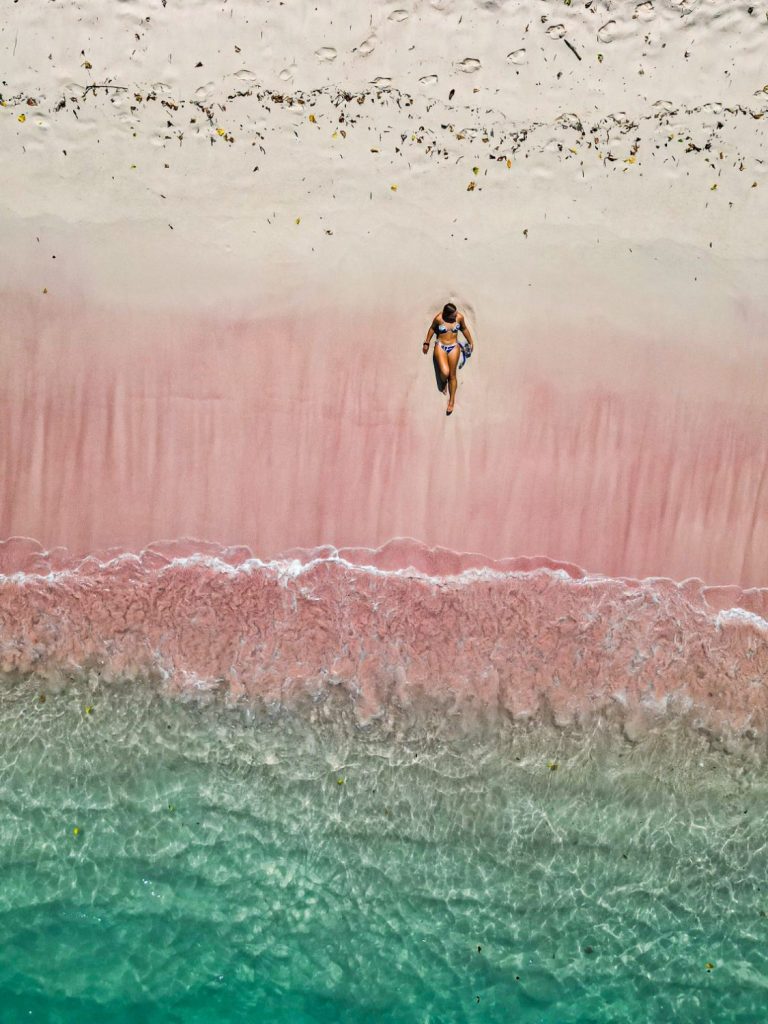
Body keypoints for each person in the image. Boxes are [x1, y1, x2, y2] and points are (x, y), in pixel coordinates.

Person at [422, 303, 475, 415]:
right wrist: (426, 342)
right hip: (440, 345)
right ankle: (443, 382)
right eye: (453, 315)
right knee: (445, 372)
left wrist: (470, 341)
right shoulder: (439, 319)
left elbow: (464, 329)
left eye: (456, 314)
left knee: (452, 374)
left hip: (454, 346)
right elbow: (432, 329)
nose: (456, 316)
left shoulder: (459, 317)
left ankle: (451, 401)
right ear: (447, 314)